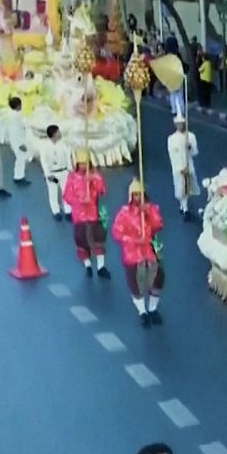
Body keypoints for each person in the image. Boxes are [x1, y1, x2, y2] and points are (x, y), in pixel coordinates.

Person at [112, 180, 165, 327]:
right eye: (134, 194)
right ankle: (142, 311)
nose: (137, 197)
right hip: (132, 255)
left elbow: (159, 225)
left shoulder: (152, 209)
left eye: (139, 194)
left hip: (149, 252)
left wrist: (148, 212)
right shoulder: (123, 213)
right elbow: (117, 233)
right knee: (135, 284)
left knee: (158, 279)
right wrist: (135, 240)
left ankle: (153, 308)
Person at [62, 149, 111, 278]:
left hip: (94, 214)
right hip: (79, 216)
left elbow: (103, 190)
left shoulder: (95, 175)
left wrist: (93, 180)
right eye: (81, 163)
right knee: (81, 239)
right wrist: (79, 200)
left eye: (85, 163)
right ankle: (88, 265)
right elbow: (67, 196)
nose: (83, 166)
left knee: (98, 239)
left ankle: (101, 267)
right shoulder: (72, 178)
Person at [167, 116, 200, 220]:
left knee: (187, 187)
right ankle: (183, 206)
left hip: (188, 165)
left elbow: (195, 152)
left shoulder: (190, 136)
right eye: (178, 124)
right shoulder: (171, 139)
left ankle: (184, 206)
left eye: (181, 123)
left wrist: (189, 147)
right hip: (178, 167)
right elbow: (172, 154)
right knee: (180, 187)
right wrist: (179, 167)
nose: (180, 125)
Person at [40, 125, 72, 221]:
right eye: (58, 132)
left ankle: (68, 210)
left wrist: (70, 170)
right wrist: (47, 174)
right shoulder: (45, 146)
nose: (60, 133)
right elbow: (44, 161)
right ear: (53, 135)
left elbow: (68, 157)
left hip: (63, 172)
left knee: (66, 192)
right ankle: (56, 211)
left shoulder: (63, 144)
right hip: (52, 174)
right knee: (53, 192)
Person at [3, 96, 31, 186]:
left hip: (14, 140)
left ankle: (19, 175)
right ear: (18, 106)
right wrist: (21, 144)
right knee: (21, 159)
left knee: (20, 159)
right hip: (18, 141)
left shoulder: (9, 114)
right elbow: (17, 130)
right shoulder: (16, 116)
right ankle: (19, 177)